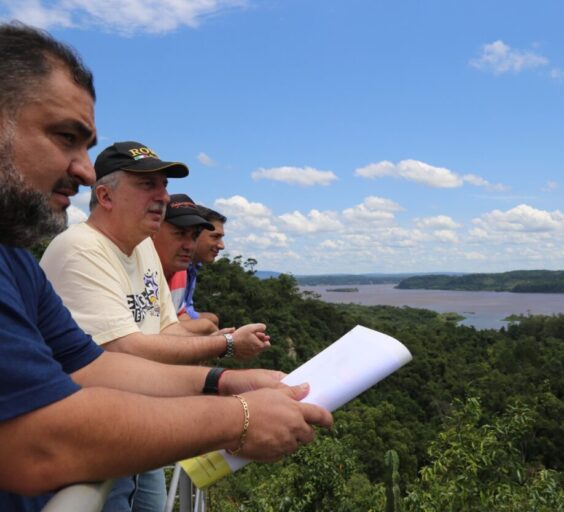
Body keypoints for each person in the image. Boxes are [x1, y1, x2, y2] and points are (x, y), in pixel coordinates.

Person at [0, 22, 332, 512]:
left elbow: (94, 367)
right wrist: (237, 418)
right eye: (64, 136)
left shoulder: (15, 265)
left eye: (87, 147)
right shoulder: (74, 249)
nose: (84, 170)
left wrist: (223, 382)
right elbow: (40, 442)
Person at [40, 140, 274, 510]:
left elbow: (169, 331)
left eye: (163, 185)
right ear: (105, 195)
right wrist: (224, 349)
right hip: (93, 440)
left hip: (138, 424)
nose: (162, 196)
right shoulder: (81, 249)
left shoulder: (144, 248)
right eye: (147, 185)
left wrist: (223, 343)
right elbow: (119, 349)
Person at [151, 193, 219, 335]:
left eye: (194, 236)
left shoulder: (180, 273)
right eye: (180, 233)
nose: (189, 246)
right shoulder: (136, 273)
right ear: (153, 231)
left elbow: (180, 315)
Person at [179, 205, 227, 328]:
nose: (221, 246)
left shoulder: (193, 266)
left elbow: (186, 308)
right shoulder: (176, 267)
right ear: (195, 234)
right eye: (215, 237)